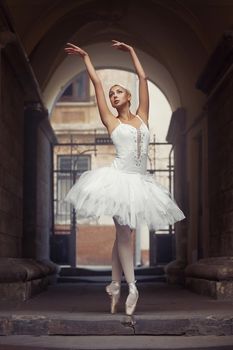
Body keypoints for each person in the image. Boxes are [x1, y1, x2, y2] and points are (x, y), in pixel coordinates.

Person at [64, 40, 185, 317]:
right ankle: (133, 287)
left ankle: (114, 285)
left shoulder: (142, 115)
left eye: (118, 91)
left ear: (129, 96)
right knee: (124, 235)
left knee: (123, 236)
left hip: (140, 182)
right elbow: (95, 83)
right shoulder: (111, 121)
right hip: (118, 180)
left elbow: (143, 77)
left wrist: (131, 52)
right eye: (111, 94)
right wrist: (86, 59)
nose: (113, 96)